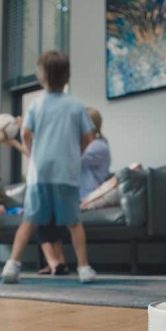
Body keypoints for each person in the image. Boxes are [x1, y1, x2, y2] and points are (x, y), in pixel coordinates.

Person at [1, 50, 97, 284]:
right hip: (66, 173)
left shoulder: (36, 104)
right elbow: (89, 136)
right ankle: (84, 268)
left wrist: (33, 153)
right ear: (67, 75)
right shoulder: (75, 105)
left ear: (41, 75)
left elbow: (25, 133)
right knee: (74, 223)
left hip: (40, 174)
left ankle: (12, 266)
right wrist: (77, 154)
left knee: (29, 221)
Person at [38, 107, 111, 275]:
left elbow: (71, 159)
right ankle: (57, 262)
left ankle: (56, 262)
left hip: (87, 196)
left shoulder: (99, 146)